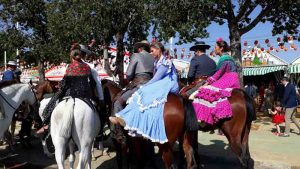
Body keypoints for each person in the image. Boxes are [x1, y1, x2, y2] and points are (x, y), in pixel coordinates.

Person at [109, 42, 179, 143]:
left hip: (160, 83)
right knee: (149, 103)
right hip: (157, 81)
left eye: (152, 51)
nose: (151, 53)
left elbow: (129, 74)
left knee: (119, 101)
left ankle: (120, 131)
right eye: (150, 51)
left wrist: (143, 86)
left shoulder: (142, 57)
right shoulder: (155, 60)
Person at [36, 44, 96, 135]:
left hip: (72, 92)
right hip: (85, 93)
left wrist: (60, 87)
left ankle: (48, 125)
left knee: (53, 101)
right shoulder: (88, 66)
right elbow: (93, 83)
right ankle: (99, 132)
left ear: (72, 57)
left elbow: (65, 82)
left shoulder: (70, 66)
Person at [110, 40, 155, 137]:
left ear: (139, 48)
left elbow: (129, 74)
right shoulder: (153, 57)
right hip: (152, 85)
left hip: (139, 84)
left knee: (117, 102)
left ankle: (119, 132)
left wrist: (129, 78)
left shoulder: (136, 55)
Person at [192, 38, 240, 125]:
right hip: (233, 79)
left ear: (221, 48)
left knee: (204, 91)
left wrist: (207, 83)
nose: (214, 49)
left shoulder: (224, 58)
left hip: (228, 79)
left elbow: (218, 74)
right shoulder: (226, 58)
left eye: (215, 47)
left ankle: (203, 118)